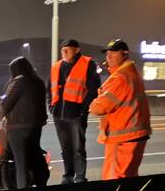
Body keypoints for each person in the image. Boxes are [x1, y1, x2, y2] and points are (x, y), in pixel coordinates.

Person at [89, 39, 152, 180]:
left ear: (125, 54)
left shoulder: (120, 77)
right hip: (136, 135)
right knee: (129, 176)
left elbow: (99, 107)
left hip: (122, 137)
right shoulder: (133, 74)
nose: (109, 57)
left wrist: (94, 101)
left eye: (113, 53)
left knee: (114, 179)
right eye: (107, 54)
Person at [48, 38, 101, 183]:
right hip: (59, 114)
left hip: (76, 113)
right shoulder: (56, 66)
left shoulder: (87, 63)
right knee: (66, 148)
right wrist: (51, 106)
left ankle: (80, 177)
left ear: (77, 50)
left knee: (78, 148)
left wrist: (83, 110)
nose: (64, 51)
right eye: (62, 49)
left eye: (68, 48)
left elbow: (93, 89)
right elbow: (49, 88)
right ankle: (68, 175)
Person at [0, 56, 49, 188]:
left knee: (21, 163)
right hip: (36, 127)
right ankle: (41, 186)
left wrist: (1, 115)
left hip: (17, 128)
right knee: (35, 157)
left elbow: (5, 104)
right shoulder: (38, 82)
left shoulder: (18, 82)